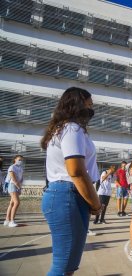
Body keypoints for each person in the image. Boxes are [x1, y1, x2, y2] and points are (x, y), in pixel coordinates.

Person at [40, 87, 102, 275]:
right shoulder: (71, 128)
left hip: (66, 195)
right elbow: (76, 171)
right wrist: (95, 203)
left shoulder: (64, 129)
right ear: (76, 104)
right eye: (88, 105)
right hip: (67, 195)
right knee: (63, 265)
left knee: (68, 265)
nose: (91, 110)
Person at [3, 155, 24, 227]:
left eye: (21, 160)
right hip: (12, 185)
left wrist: (20, 186)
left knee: (12, 203)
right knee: (17, 203)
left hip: (17, 186)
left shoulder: (21, 168)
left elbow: (21, 178)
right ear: (15, 159)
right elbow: (13, 179)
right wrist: (19, 187)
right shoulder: (12, 167)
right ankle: (12, 221)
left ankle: (7, 220)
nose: (20, 161)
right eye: (19, 159)